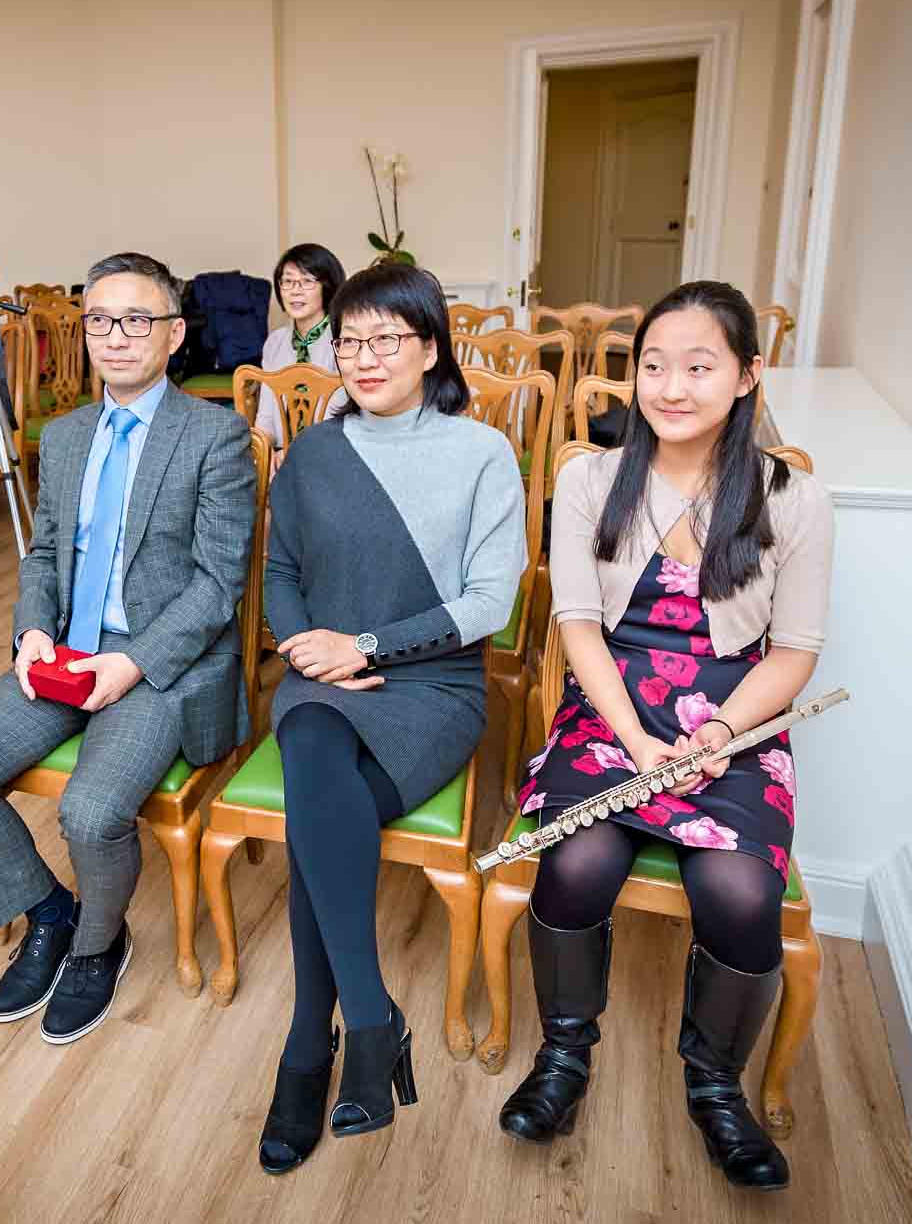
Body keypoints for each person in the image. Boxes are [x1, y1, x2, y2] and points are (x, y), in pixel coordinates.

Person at [497, 280, 833, 1194]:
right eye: (653, 365)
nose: (671, 387)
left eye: (699, 366)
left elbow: (796, 651)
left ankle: (716, 1088)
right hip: (611, 713)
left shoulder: (791, 498)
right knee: (573, 865)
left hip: (736, 721)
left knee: (738, 891)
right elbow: (575, 627)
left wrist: (721, 731)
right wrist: (638, 743)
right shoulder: (589, 479)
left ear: (747, 375)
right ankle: (564, 1058)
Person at [0, 251, 255, 1046]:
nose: (116, 337)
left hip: (161, 661)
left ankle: (100, 946)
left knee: (94, 811)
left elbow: (215, 585)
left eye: (138, 320)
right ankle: (51, 912)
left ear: (173, 336)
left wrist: (130, 663)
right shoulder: (64, 436)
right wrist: (32, 630)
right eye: (99, 320)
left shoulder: (214, 435)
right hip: (66, 650)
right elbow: (42, 556)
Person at [254, 263, 526, 1174]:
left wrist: (364, 645)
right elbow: (280, 574)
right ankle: (363, 1022)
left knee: (317, 816)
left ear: (432, 349)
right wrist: (306, 649)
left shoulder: (480, 452)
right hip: (321, 673)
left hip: (434, 683)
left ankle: (308, 1044)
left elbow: (491, 601)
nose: (363, 358)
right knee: (313, 749)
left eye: (386, 340)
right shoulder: (313, 452)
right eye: (349, 340)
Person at [252, 243, 347, 455]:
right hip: (281, 453)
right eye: (287, 281)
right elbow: (266, 417)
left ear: (327, 286)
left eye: (306, 281)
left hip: (331, 452)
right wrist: (263, 456)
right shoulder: (274, 343)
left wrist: (296, 454)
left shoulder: (345, 341)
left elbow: (342, 418)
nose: (295, 290)